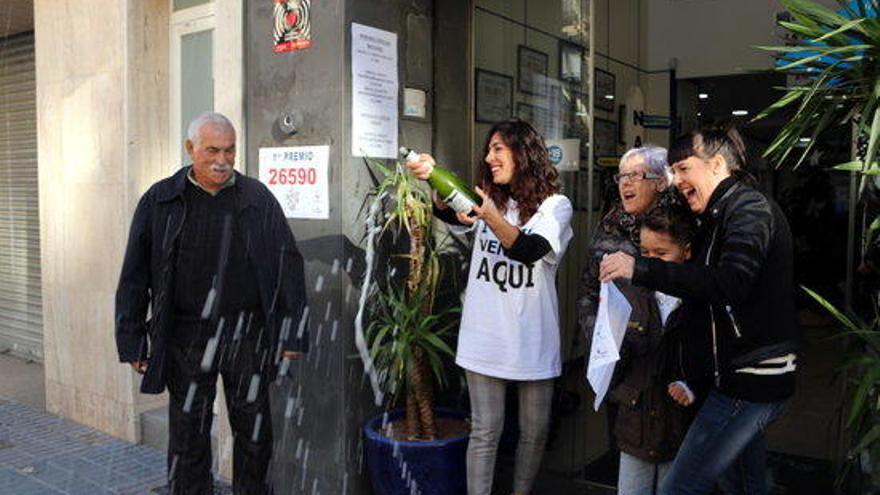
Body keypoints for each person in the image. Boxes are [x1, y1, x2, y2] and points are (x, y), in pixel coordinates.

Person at [115, 112, 308, 495]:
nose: (222, 160)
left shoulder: (257, 199)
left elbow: (289, 266)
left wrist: (292, 336)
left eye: (230, 150)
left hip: (248, 336)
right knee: (188, 437)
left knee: (255, 435)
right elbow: (135, 275)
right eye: (212, 150)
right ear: (190, 149)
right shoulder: (160, 200)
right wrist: (133, 339)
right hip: (185, 335)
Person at [600, 125, 798, 495]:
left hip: (749, 381)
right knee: (745, 485)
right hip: (736, 378)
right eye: (672, 172)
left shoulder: (748, 210)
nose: (676, 180)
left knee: (681, 487)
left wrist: (641, 268)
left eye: (683, 168)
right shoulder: (717, 215)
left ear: (717, 164)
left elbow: (729, 284)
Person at [406, 119, 573, 495]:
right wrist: (432, 179)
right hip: (485, 334)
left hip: (533, 335)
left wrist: (488, 213)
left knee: (535, 431)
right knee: (485, 431)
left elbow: (529, 250)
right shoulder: (488, 197)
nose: (489, 157)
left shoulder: (555, 206)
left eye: (498, 148)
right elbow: (450, 212)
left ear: (523, 152)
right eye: (489, 149)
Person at [576, 146, 678, 467]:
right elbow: (589, 288)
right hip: (620, 358)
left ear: (661, 182)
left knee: (669, 448)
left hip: (666, 359)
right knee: (626, 444)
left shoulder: (678, 225)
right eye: (622, 176)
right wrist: (599, 336)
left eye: (636, 175)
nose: (625, 183)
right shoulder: (610, 224)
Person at [609, 203, 704, 495]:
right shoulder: (630, 290)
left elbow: (709, 356)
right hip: (635, 426)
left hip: (678, 429)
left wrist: (692, 385)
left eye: (662, 255)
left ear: (686, 251)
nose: (651, 262)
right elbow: (614, 357)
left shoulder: (699, 299)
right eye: (645, 254)